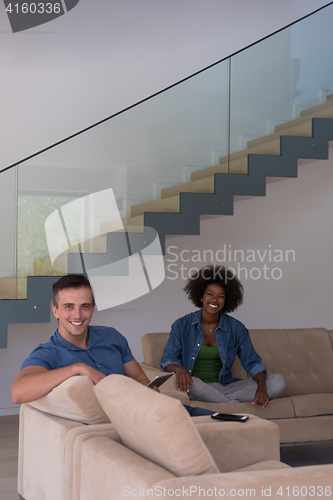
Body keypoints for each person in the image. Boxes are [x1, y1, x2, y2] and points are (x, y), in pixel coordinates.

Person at [11, 274, 213, 417]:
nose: (78, 315)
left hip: (148, 410)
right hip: (127, 423)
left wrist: (149, 390)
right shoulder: (49, 353)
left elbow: (139, 378)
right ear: (55, 311)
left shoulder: (111, 336)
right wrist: (77, 368)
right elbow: (18, 393)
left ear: (92, 309)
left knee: (222, 419)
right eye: (68, 307)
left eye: (85, 307)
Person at [161, 265, 285, 407]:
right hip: (196, 386)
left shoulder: (237, 328)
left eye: (221, 296)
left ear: (226, 301)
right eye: (210, 294)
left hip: (226, 386)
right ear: (201, 296)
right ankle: (233, 405)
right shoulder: (181, 325)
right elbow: (167, 360)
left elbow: (253, 363)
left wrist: (262, 388)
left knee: (278, 381)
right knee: (189, 384)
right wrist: (179, 369)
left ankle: (220, 401)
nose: (214, 300)